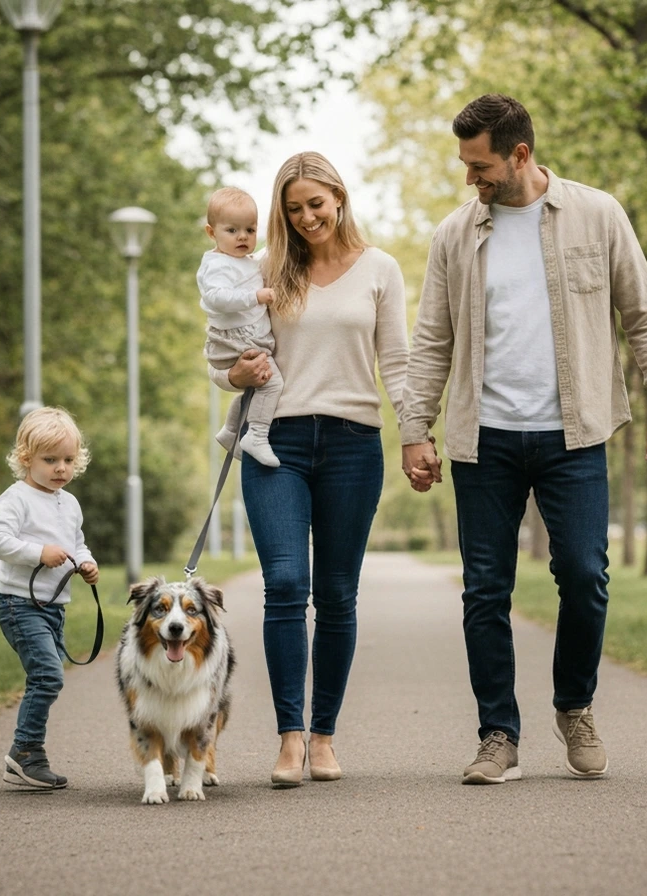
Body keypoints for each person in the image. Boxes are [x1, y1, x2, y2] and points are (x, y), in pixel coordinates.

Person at [400, 94, 647, 784]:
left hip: (574, 432)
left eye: (481, 165)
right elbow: (431, 340)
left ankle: (574, 705)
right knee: (485, 592)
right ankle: (498, 733)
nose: (472, 178)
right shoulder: (454, 235)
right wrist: (415, 429)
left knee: (585, 576)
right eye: (466, 165)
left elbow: (644, 314)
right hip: (485, 439)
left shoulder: (598, 214)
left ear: (519, 154)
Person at [210, 152, 408, 787]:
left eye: (314, 204)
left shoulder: (381, 269)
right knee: (287, 584)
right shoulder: (265, 269)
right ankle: (289, 738)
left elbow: (398, 361)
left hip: (354, 443)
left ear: (339, 197)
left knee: (338, 594)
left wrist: (417, 436)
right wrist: (230, 376)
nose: (305, 218)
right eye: (292, 209)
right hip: (277, 442)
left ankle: (325, 736)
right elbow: (222, 347)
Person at [0, 406, 100, 790]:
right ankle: (25, 754)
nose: (60, 469)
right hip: (20, 605)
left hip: (54, 608)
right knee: (48, 675)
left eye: (68, 460)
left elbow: (76, 543)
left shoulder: (69, 503)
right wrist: (38, 553)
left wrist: (85, 562)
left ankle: (27, 754)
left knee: (47, 676)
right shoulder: (15, 498)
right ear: (26, 459)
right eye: (50, 460)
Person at [199, 186, 282, 467]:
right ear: (212, 233)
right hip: (237, 337)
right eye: (232, 231)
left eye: (250, 229)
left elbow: (259, 260)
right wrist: (254, 297)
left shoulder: (243, 260)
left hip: (246, 335)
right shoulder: (217, 265)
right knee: (272, 384)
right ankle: (256, 435)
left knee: (257, 389)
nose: (243, 237)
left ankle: (231, 430)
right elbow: (215, 297)